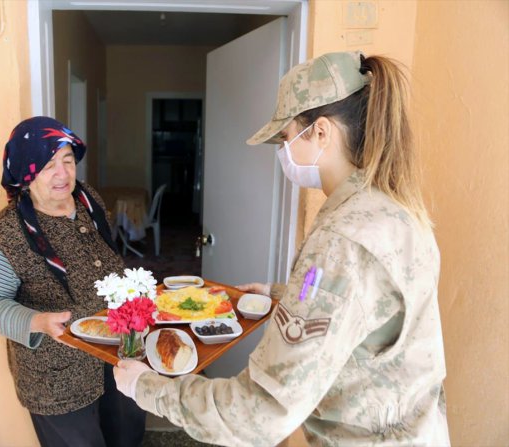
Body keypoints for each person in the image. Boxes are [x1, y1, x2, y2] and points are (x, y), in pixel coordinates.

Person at [113, 51, 450, 446]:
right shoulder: (395, 209)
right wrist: (282, 296)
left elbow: (262, 412)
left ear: (321, 132)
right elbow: (365, 314)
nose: (282, 152)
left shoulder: (342, 240)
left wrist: (148, 388)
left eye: (287, 137)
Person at [0, 116, 145, 447]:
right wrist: (37, 321)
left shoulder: (87, 199)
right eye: (48, 165)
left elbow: (104, 257)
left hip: (115, 353)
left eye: (68, 161)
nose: (63, 174)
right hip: (57, 379)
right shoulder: (8, 233)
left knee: (127, 435)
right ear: (25, 173)